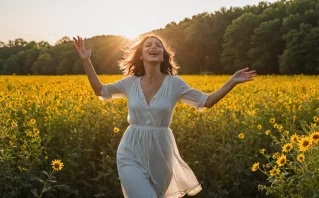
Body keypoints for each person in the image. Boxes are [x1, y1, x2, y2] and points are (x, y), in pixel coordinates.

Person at [72, 35, 256, 198]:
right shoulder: (129, 83)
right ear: (141, 55)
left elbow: (206, 101)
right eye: (148, 45)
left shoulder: (174, 84)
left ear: (163, 56)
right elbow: (100, 90)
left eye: (158, 45)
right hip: (130, 149)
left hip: (161, 151)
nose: (154, 47)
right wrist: (86, 61)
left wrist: (232, 81)